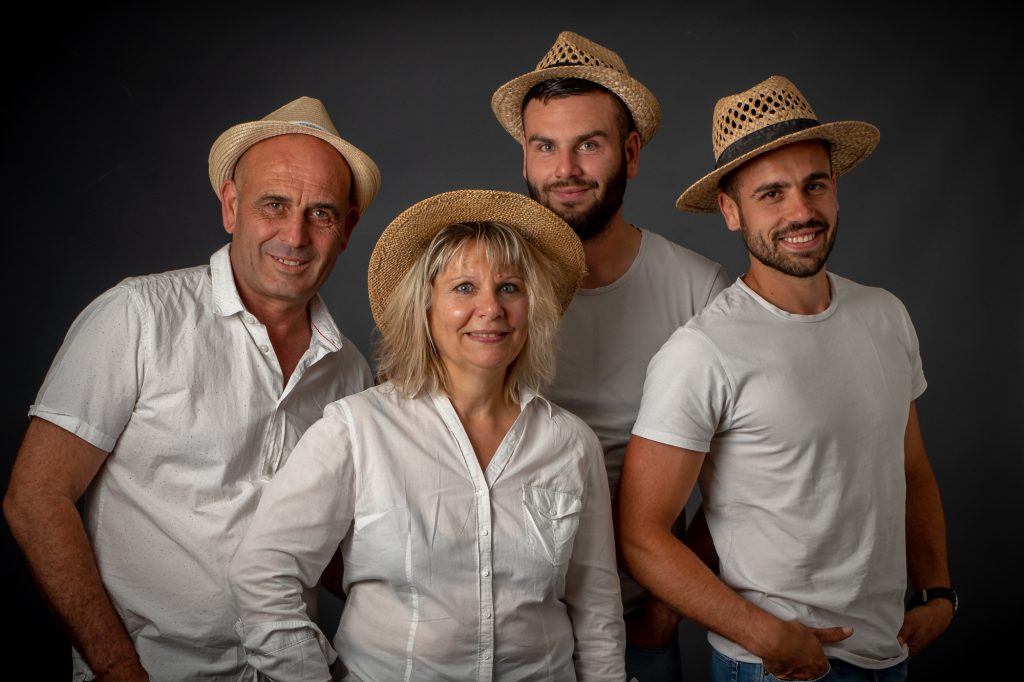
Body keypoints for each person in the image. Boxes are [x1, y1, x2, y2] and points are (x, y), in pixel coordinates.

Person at [3, 95, 380, 681]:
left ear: (348, 228)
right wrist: (119, 670)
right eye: (273, 204)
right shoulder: (137, 317)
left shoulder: (351, 372)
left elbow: (327, 546)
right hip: (149, 670)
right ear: (231, 206)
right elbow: (35, 498)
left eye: (321, 213)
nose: (295, 235)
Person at [618, 75, 955, 681]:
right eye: (770, 193)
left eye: (814, 185)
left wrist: (937, 591)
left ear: (835, 191)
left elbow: (910, 469)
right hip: (778, 667)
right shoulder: (701, 351)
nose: (800, 211)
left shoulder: (885, 314)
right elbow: (641, 536)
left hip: (891, 652)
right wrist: (761, 634)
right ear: (730, 210)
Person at [228, 189, 626, 681]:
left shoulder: (571, 443)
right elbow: (263, 573)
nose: (491, 309)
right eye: (463, 287)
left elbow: (596, 608)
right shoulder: (358, 429)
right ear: (425, 307)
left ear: (532, 306)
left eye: (510, 288)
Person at [491, 29, 730, 677]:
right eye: (545, 146)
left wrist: (666, 607)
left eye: (587, 145)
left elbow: (746, 472)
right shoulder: (487, 291)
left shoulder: (700, 290)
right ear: (525, 158)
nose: (564, 170)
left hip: (636, 625)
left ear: (629, 153)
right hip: (502, 622)